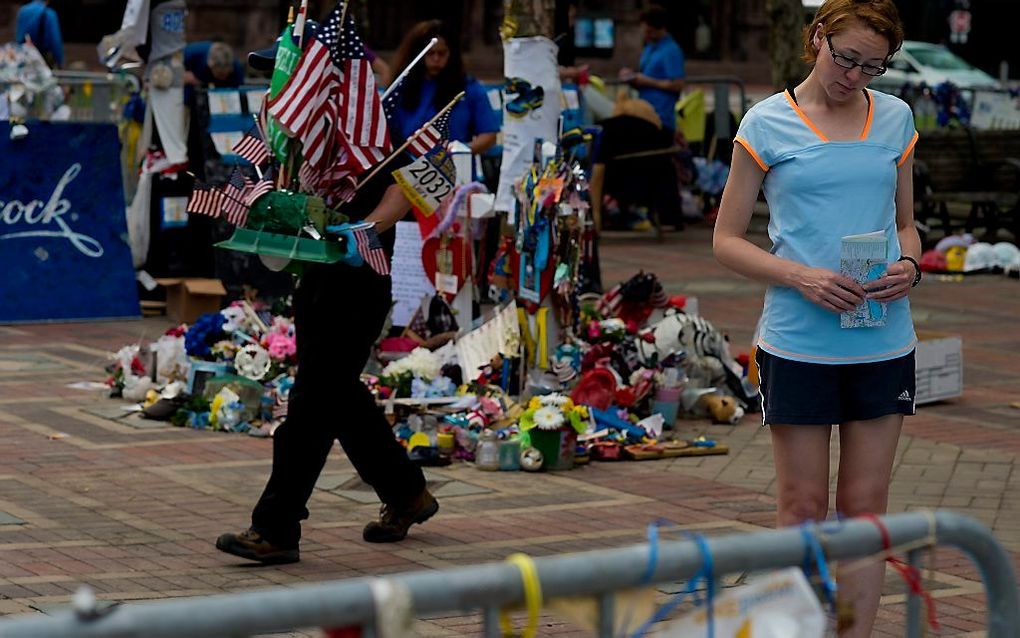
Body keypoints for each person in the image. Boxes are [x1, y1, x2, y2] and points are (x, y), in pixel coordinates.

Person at [712, 1, 920, 635]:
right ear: (818, 38)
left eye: (873, 67)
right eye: (846, 57)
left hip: (881, 339)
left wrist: (910, 266)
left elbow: (907, 225)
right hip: (799, 342)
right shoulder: (767, 122)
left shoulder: (897, 118)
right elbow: (726, 239)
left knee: (864, 509)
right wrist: (801, 275)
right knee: (801, 508)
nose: (854, 76)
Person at [387, 20, 498, 156]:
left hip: (454, 168)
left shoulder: (469, 88)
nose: (435, 59)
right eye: (430, 53)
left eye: (441, 53)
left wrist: (460, 151)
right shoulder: (399, 88)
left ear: (452, 54)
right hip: (406, 167)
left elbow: (489, 135)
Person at [619, 4, 684, 134]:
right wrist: (633, 77)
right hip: (644, 112)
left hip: (660, 117)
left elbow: (677, 84)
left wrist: (647, 81)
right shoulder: (649, 48)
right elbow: (646, 75)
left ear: (660, 29)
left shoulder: (671, 50)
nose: (646, 35)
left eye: (649, 31)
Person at [15, 0, 64, 68]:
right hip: (41, 57)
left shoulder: (23, 10)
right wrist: (59, 62)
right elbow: (55, 41)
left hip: (24, 55)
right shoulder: (48, 13)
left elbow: (18, 36)